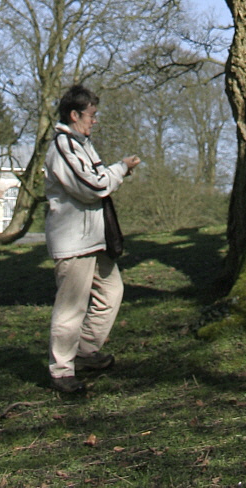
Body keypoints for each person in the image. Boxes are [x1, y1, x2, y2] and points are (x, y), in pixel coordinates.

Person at [44, 84, 140, 395]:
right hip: (74, 242)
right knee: (71, 307)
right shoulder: (63, 147)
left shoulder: (81, 144)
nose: (94, 120)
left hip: (94, 240)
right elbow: (93, 187)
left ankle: (84, 352)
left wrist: (115, 173)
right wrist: (120, 169)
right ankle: (61, 371)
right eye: (91, 115)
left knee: (111, 293)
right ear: (74, 115)